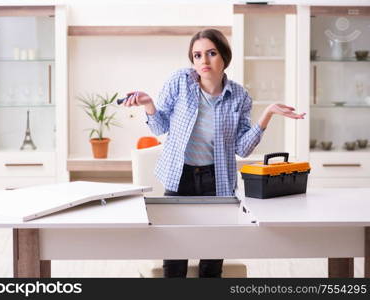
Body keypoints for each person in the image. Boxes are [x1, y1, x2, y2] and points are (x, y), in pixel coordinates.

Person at [123, 29, 305, 278]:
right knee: (175, 253)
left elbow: (242, 148)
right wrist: (149, 105)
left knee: (212, 256)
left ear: (224, 57)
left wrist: (267, 115)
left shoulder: (239, 96)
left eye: (211, 53)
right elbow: (160, 127)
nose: (204, 61)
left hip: (216, 181)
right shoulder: (180, 81)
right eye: (197, 55)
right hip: (180, 177)